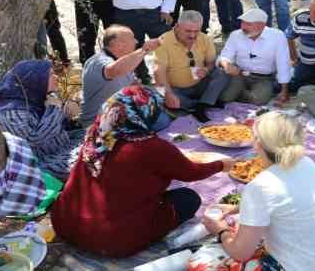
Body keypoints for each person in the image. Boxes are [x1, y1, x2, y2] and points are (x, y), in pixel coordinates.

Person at [52, 84, 235, 258]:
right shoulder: (152, 147)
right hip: (111, 241)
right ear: (146, 114)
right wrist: (221, 165)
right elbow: (192, 173)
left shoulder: (97, 133)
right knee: (188, 198)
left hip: (64, 223)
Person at [202, 112, 315, 270]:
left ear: (257, 144)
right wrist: (237, 208)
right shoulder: (307, 163)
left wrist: (220, 231)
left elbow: (240, 253)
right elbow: (290, 200)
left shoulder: (260, 187)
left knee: (204, 261)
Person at [75, 0, 177, 84]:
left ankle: (172, 75)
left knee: (168, 43)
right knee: (134, 49)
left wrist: (166, 9)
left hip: (155, 15)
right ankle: (143, 77)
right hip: (127, 16)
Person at [0, 60, 78, 179]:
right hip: (37, 164)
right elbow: (34, 140)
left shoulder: (35, 98)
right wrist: (55, 109)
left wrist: (66, 113)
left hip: (54, 149)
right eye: (51, 74)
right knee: (90, 158)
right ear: (35, 79)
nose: (56, 77)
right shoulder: (11, 111)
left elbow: (49, 124)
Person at [154, 11, 230, 123]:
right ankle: (204, 103)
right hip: (176, 89)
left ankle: (200, 106)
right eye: (188, 31)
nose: (192, 35)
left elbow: (211, 62)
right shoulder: (163, 41)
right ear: (177, 26)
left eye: (196, 31)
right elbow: (159, 72)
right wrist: (168, 94)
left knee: (222, 73)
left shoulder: (205, 38)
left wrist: (206, 69)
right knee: (160, 95)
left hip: (199, 84)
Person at [79, 25, 161, 128]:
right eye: (132, 38)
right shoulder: (98, 61)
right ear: (119, 45)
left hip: (116, 119)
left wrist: (158, 95)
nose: (136, 42)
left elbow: (135, 88)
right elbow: (114, 71)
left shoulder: (124, 62)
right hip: (96, 125)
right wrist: (145, 50)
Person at [217, 8, 291, 106]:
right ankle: (240, 93)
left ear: (262, 25)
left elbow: (283, 64)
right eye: (242, 23)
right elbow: (224, 56)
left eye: (248, 24)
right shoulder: (235, 35)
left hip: (264, 78)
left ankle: (242, 94)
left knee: (257, 101)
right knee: (225, 97)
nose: (243, 27)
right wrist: (226, 65)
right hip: (239, 75)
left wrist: (284, 91)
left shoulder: (277, 36)